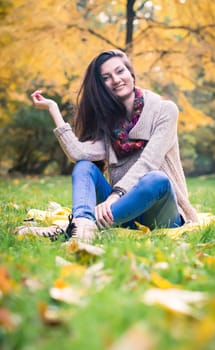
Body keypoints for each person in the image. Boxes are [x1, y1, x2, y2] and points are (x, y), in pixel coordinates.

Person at [16, 49, 198, 243]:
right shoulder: (109, 125)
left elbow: (148, 162)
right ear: (102, 86)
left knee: (157, 180)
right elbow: (79, 153)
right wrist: (53, 109)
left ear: (131, 73)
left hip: (162, 213)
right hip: (124, 212)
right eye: (106, 77)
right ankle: (84, 223)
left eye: (120, 71)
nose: (116, 79)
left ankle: (69, 229)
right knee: (84, 166)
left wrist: (115, 195)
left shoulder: (165, 110)